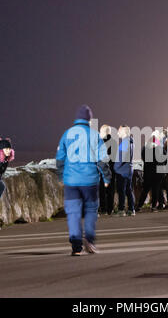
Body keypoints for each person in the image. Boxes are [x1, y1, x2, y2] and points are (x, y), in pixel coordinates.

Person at [56, 104, 112, 256]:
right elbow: (102, 159)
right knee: (90, 211)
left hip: (71, 181)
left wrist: (61, 176)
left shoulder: (67, 134)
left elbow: (60, 158)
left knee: (73, 212)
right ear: (89, 119)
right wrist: (106, 177)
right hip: (89, 180)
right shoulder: (94, 135)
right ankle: (90, 240)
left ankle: (76, 245)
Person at [136, 130, 166, 212]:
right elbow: (165, 160)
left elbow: (143, 158)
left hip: (148, 172)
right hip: (158, 173)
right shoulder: (160, 149)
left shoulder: (145, 149)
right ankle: (153, 207)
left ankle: (139, 206)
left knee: (145, 190)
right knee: (156, 190)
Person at [114, 125, 135, 216]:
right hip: (129, 169)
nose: (118, 132)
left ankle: (121, 210)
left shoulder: (125, 143)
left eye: (119, 130)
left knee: (121, 190)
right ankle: (131, 209)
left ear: (124, 131)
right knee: (128, 190)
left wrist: (115, 167)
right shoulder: (131, 142)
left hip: (122, 171)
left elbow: (121, 158)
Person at [99, 125, 116, 216]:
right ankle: (110, 209)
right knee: (111, 190)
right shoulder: (114, 142)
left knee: (102, 190)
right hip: (112, 170)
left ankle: (103, 209)